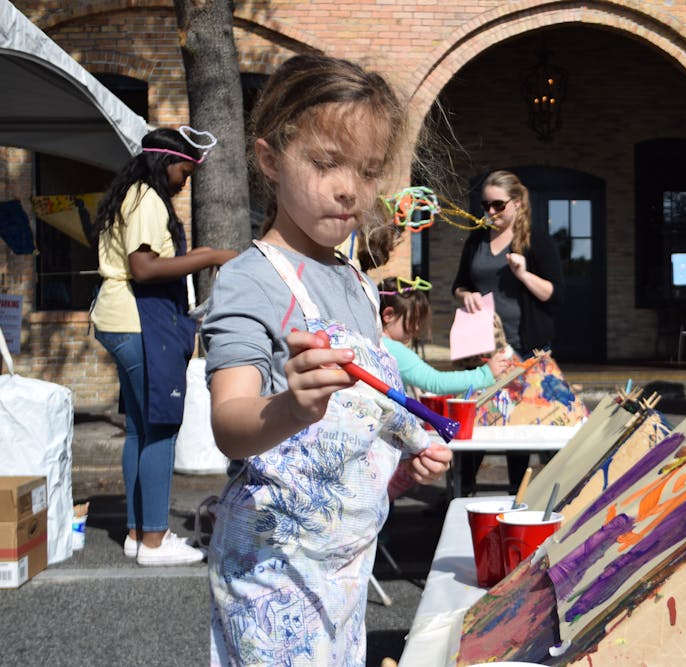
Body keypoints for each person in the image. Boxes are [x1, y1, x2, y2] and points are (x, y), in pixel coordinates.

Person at [200, 54, 451, 666]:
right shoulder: (249, 280)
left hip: (346, 566)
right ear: (268, 160)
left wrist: (406, 459)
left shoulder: (359, 282)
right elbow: (230, 426)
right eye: (325, 163)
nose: (350, 189)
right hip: (273, 573)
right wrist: (291, 405)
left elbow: (365, 415)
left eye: (367, 172)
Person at [90, 127, 237, 566]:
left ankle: (138, 533)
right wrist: (211, 255)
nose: (184, 181)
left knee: (140, 428)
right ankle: (154, 540)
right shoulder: (147, 199)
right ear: (163, 163)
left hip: (121, 319)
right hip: (138, 320)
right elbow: (145, 268)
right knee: (160, 428)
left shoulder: (131, 195)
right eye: (183, 171)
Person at [452, 170, 565, 492]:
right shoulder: (477, 240)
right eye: (485, 205)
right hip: (483, 349)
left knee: (518, 425)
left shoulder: (536, 241)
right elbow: (459, 285)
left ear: (516, 203)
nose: (490, 212)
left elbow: (555, 295)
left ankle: (519, 493)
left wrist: (524, 274)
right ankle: (462, 491)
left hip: (525, 346)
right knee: (475, 422)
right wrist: (467, 294)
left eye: (497, 205)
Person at [379, 277, 511, 395]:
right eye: (413, 320)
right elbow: (436, 382)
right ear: (388, 315)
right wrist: (486, 373)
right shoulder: (392, 349)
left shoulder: (376, 341)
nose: (417, 328)